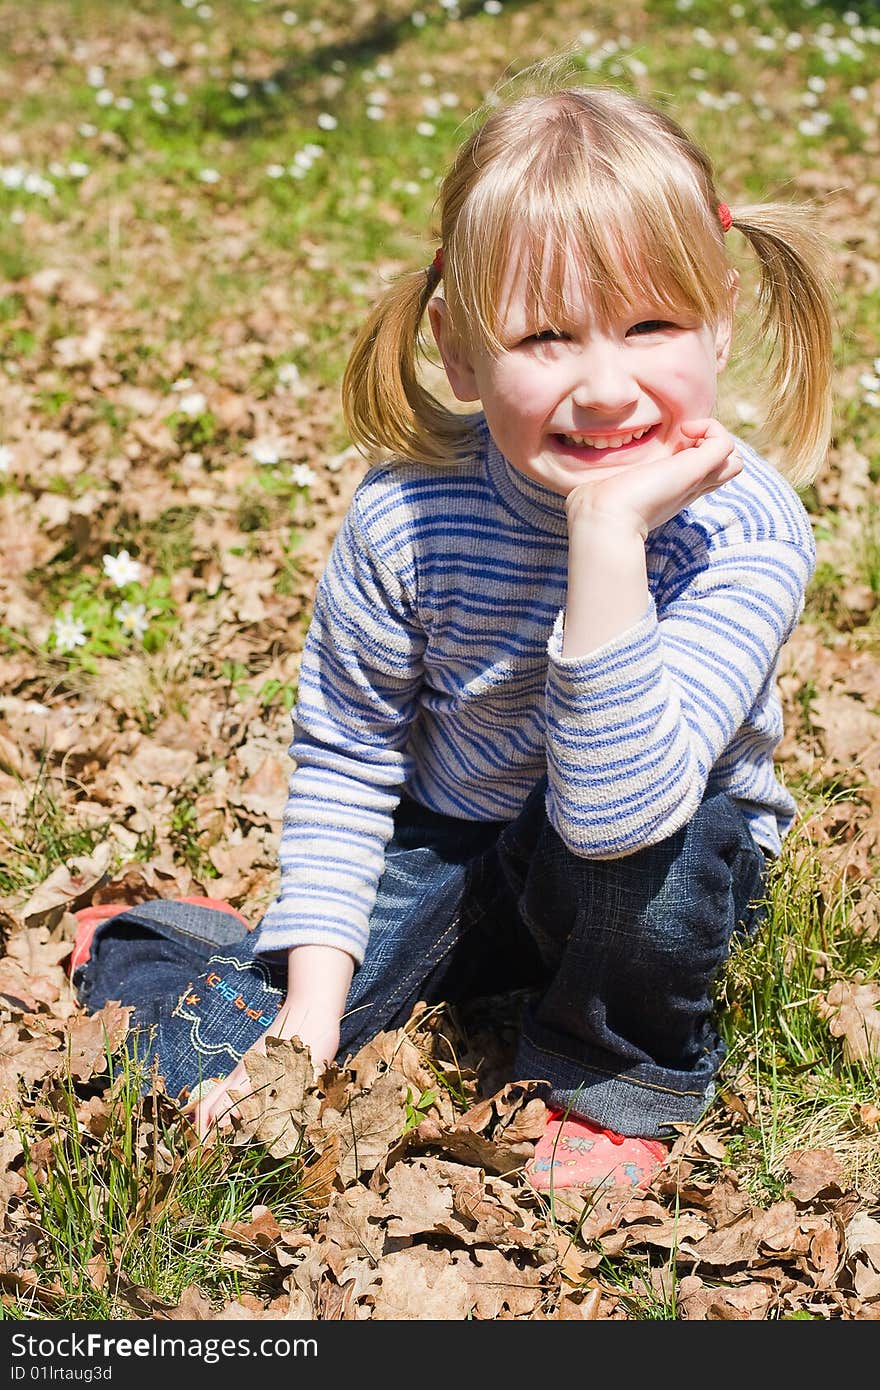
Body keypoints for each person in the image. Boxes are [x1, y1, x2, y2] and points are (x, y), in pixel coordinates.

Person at [74, 72, 833, 1193]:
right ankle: (177, 942)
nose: (605, 386)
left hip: (656, 861)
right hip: (454, 838)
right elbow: (349, 756)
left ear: (719, 318)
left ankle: (610, 1068)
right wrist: (309, 1018)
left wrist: (607, 531)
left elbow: (619, 814)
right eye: (545, 336)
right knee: (208, 1053)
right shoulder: (406, 518)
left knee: (667, 850)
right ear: (460, 350)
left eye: (651, 324)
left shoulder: (745, 528)